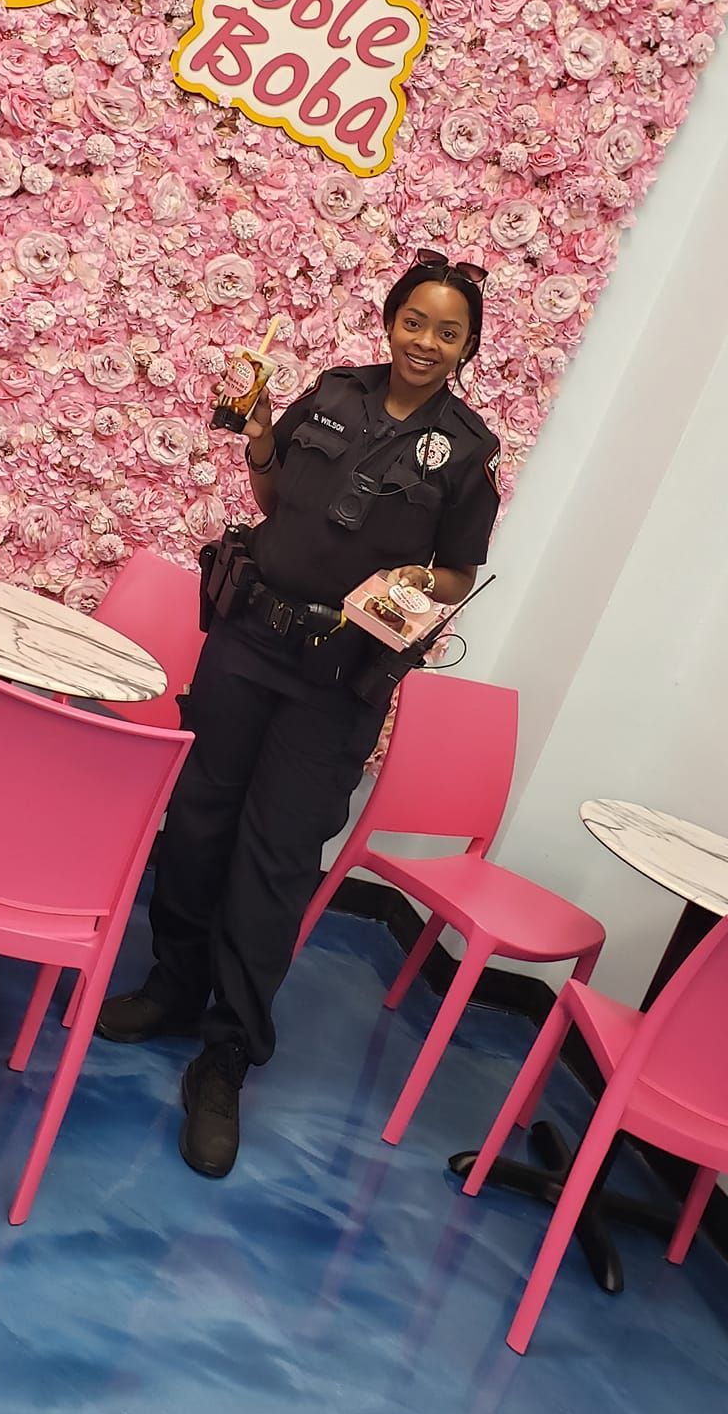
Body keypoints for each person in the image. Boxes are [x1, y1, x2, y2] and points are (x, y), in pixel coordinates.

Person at [98, 251, 501, 1177]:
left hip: (338, 674)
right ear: (390, 319)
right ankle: (171, 984)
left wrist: (413, 582)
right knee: (200, 823)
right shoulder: (331, 393)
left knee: (275, 859)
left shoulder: (468, 455)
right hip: (248, 642)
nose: (426, 343)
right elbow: (275, 500)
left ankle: (228, 1052)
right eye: (415, 321)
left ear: (468, 347)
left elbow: (456, 575)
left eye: (448, 332)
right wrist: (261, 428)